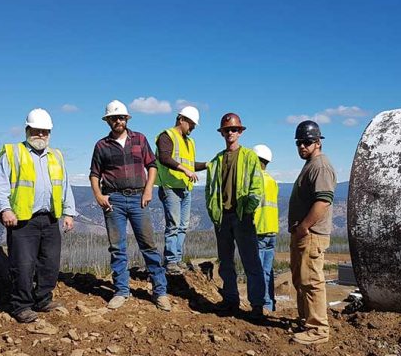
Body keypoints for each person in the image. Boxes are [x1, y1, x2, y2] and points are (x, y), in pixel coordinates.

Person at [0, 108, 76, 323]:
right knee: (23, 264)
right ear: (27, 130)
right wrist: (5, 209)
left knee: (49, 263)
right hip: (22, 220)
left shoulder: (56, 155)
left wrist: (69, 212)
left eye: (45, 131)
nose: (41, 135)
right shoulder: (13, 153)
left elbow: (65, 186)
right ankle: (21, 305)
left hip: (49, 218)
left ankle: (43, 299)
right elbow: (1, 184)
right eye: (36, 130)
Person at [89, 100, 170, 311]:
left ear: (127, 119)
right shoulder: (101, 145)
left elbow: (151, 165)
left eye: (122, 117)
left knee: (149, 245)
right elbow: (94, 174)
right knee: (117, 248)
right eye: (114, 118)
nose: (118, 121)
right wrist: (98, 195)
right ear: (108, 121)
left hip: (138, 198)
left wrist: (149, 189)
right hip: (113, 199)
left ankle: (160, 292)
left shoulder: (140, 139)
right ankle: (121, 291)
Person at [205, 113, 267, 317]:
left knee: (251, 262)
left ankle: (257, 305)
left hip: (242, 217)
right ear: (222, 133)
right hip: (222, 218)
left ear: (240, 132)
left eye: (233, 129)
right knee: (225, 262)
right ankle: (231, 301)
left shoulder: (249, 156)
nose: (230, 132)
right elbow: (210, 189)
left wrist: (247, 211)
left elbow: (257, 188)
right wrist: (214, 212)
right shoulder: (217, 159)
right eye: (226, 130)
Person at [288, 120, 337, 345]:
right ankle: (306, 320)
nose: (302, 147)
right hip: (304, 234)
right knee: (301, 280)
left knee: (311, 281)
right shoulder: (311, 164)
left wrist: (304, 226)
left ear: (318, 142)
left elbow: (323, 201)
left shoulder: (320, 166)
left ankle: (317, 329)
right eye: (299, 143)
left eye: (307, 142)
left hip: (311, 234)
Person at [155, 106, 207, 275]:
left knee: (183, 226)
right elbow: (164, 158)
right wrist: (185, 170)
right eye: (191, 124)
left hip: (185, 188)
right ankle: (170, 261)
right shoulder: (166, 136)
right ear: (181, 119)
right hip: (170, 187)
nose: (192, 128)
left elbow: (190, 165)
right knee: (173, 225)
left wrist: (206, 165)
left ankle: (176, 258)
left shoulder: (189, 142)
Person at [252, 144, 278, 315]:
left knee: (257, 271)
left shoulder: (255, 180)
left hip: (259, 230)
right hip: (272, 230)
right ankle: (269, 305)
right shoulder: (272, 181)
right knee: (267, 271)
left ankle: (259, 306)